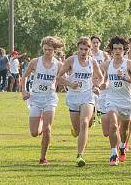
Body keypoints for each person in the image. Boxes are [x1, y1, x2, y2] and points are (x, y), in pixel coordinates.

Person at [56, 37, 104, 166]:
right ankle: (76, 130)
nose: (83, 52)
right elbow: (59, 77)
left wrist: (97, 86)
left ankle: (79, 155)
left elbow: (101, 77)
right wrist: (70, 84)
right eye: (81, 49)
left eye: (86, 49)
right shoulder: (71, 60)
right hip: (73, 97)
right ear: (78, 49)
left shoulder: (92, 62)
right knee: (78, 130)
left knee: (84, 123)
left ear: (89, 50)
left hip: (87, 96)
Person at [100, 37, 131, 166]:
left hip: (126, 101)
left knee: (124, 131)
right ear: (111, 50)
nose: (117, 51)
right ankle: (113, 154)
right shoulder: (107, 64)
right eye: (115, 49)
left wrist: (126, 78)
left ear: (124, 50)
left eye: (120, 49)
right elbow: (102, 79)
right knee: (113, 125)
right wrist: (102, 84)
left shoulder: (129, 64)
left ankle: (123, 146)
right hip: (111, 99)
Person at [20, 36, 64, 164]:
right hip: (36, 97)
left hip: (50, 98)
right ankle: (39, 121)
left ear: (54, 50)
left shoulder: (58, 65)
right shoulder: (35, 62)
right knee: (34, 133)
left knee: (47, 129)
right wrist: (24, 91)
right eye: (45, 49)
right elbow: (24, 76)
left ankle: (43, 158)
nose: (47, 52)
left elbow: (63, 79)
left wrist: (69, 84)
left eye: (50, 50)